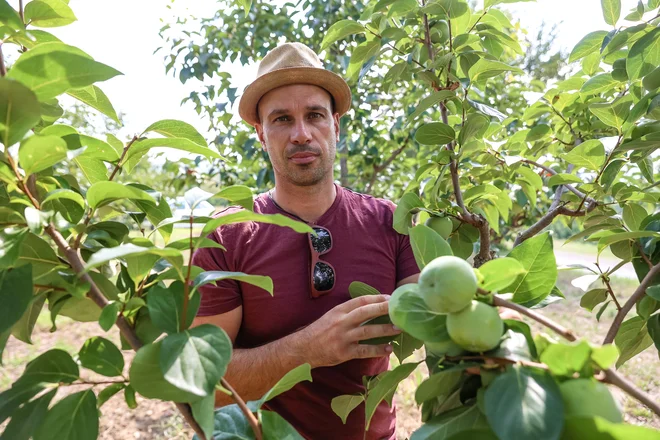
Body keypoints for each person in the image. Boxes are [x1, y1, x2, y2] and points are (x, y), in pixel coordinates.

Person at [191, 42, 419, 440]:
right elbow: (204, 387)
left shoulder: (391, 222)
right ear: (261, 134)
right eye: (281, 119)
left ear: (336, 125)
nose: (301, 134)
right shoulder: (226, 236)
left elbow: (432, 321)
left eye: (314, 115)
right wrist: (306, 349)